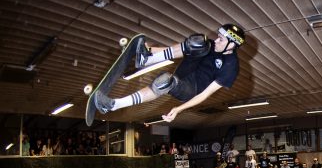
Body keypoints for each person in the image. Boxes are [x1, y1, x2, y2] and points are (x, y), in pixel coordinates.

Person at [94, 24, 245, 122]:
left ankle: (113, 105)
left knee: (164, 81)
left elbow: (204, 95)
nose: (216, 41)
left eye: (221, 40)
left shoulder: (231, 67)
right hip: (186, 69)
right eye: (218, 38)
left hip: (191, 88)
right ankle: (146, 58)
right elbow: (182, 50)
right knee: (198, 43)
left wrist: (178, 109)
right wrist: (149, 50)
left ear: (232, 45)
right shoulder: (211, 45)